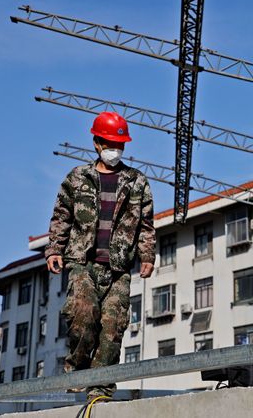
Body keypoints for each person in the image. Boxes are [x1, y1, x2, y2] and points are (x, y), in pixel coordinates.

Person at [45, 111, 156, 401]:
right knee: (83, 314)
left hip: (118, 267)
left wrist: (147, 256)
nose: (115, 150)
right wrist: (55, 248)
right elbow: (62, 216)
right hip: (84, 262)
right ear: (96, 143)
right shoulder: (77, 178)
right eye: (109, 144)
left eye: (119, 145)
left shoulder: (137, 181)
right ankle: (78, 371)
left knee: (113, 327)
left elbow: (146, 224)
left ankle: (101, 386)